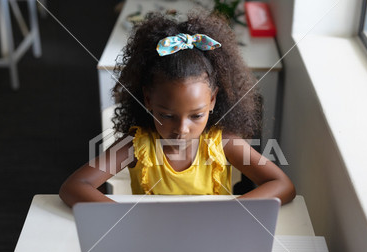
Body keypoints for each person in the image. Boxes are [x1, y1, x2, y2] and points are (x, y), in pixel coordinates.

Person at [59, 12, 295, 208]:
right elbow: (73, 187)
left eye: (196, 115)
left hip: (210, 239)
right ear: (148, 100)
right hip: (151, 242)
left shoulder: (224, 143)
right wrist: (123, 218)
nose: (181, 129)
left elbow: (283, 185)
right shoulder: (135, 146)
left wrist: (232, 211)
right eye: (167, 115)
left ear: (213, 100)